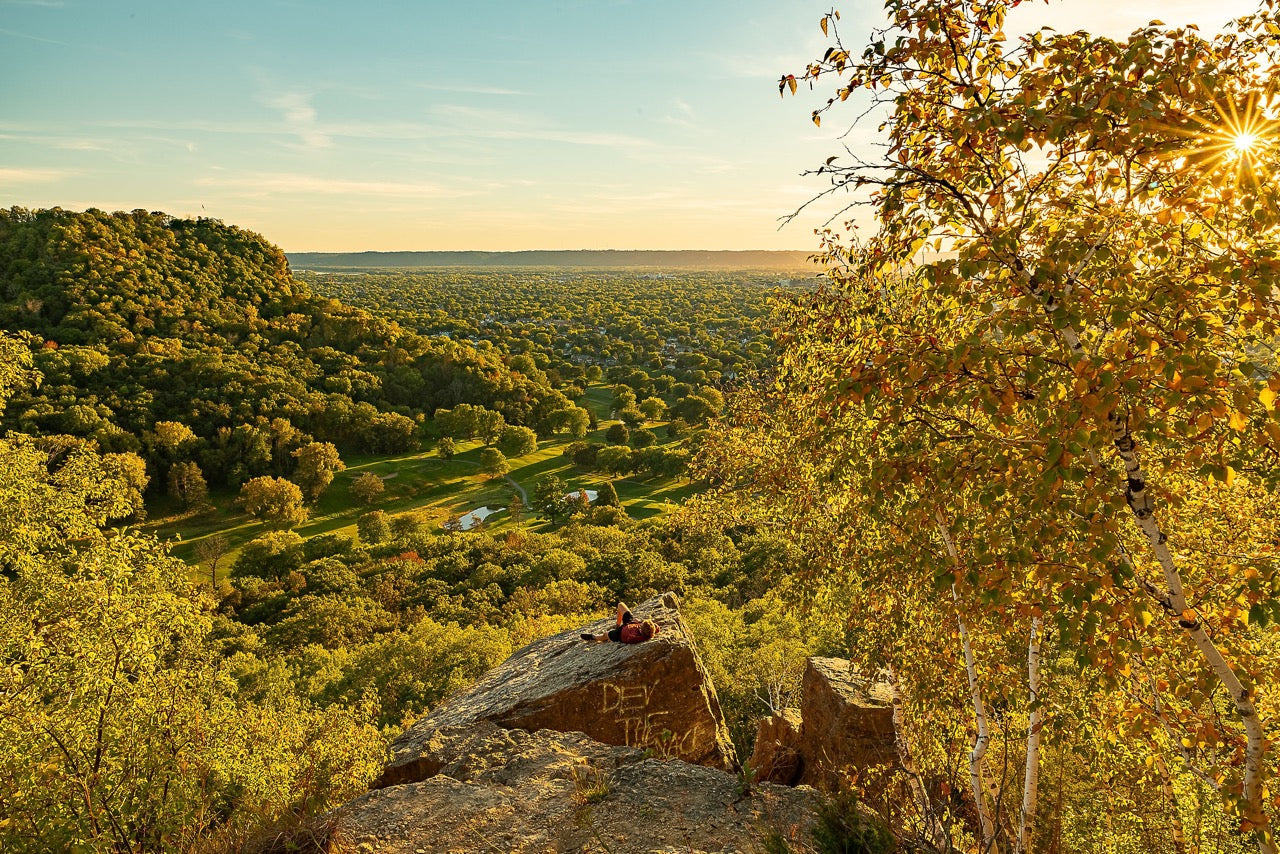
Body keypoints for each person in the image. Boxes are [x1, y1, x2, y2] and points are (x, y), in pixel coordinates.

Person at [581, 601, 660, 644]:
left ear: (641, 631)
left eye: (641, 625)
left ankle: (593, 637)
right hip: (630, 623)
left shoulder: (638, 636)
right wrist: (639, 622)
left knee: (605, 635)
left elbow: (630, 639)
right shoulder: (649, 629)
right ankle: (617, 625)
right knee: (620, 605)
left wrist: (645, 636)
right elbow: (656, 627)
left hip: (619, 634)